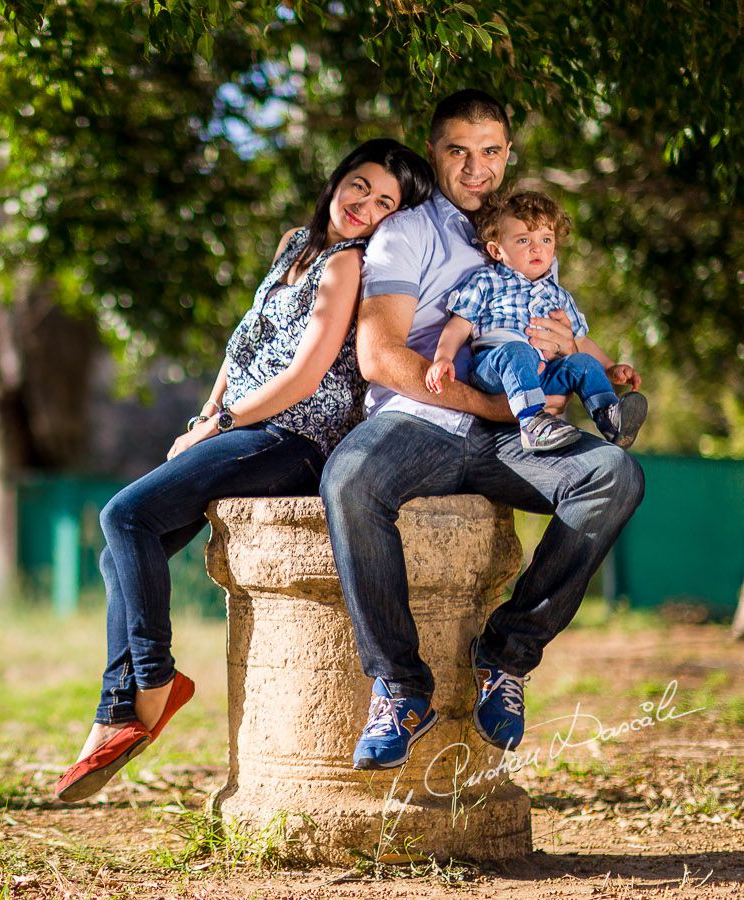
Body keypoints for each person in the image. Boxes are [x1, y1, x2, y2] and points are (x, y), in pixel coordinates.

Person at [53, 139, 435, 802]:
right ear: (338, 178)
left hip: (292, 439)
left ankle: (150, 683)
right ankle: (118, 714)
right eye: (361, 186)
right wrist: (205, 415)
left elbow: (306, 374)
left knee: (124, 515)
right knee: (121, 556)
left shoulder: (346, 267)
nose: (364, 207)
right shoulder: (295, 244)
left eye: (385, 204)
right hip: (241, 426)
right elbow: (247, 341)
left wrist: (222, 426)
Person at [319, 90, 645, 771]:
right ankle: (402, 689)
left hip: (513, 434)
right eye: (458, 152)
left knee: (612, 475)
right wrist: (489, 406)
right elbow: (382, 355)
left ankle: (506, 657)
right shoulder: (408, 233)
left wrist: (585, 358)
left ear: (508, 156)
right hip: (424, 422)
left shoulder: (528, 234)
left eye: (490, 151)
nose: (475, 168)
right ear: (434, 153)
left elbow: (556, 326)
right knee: (350, 477)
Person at [425, 189, 647, 451]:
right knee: (518, 351)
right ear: (497, 250)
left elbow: (581, 340)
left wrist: (610, 367)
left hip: (544, 374)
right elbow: (458, 326)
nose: (536, 248)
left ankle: (609, 417)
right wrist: (443, 357)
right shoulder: (487, 281)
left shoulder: (559, 295)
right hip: (496, 367)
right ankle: (532, 424)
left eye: (545, 239)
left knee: (582, 363)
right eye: (523, 241)